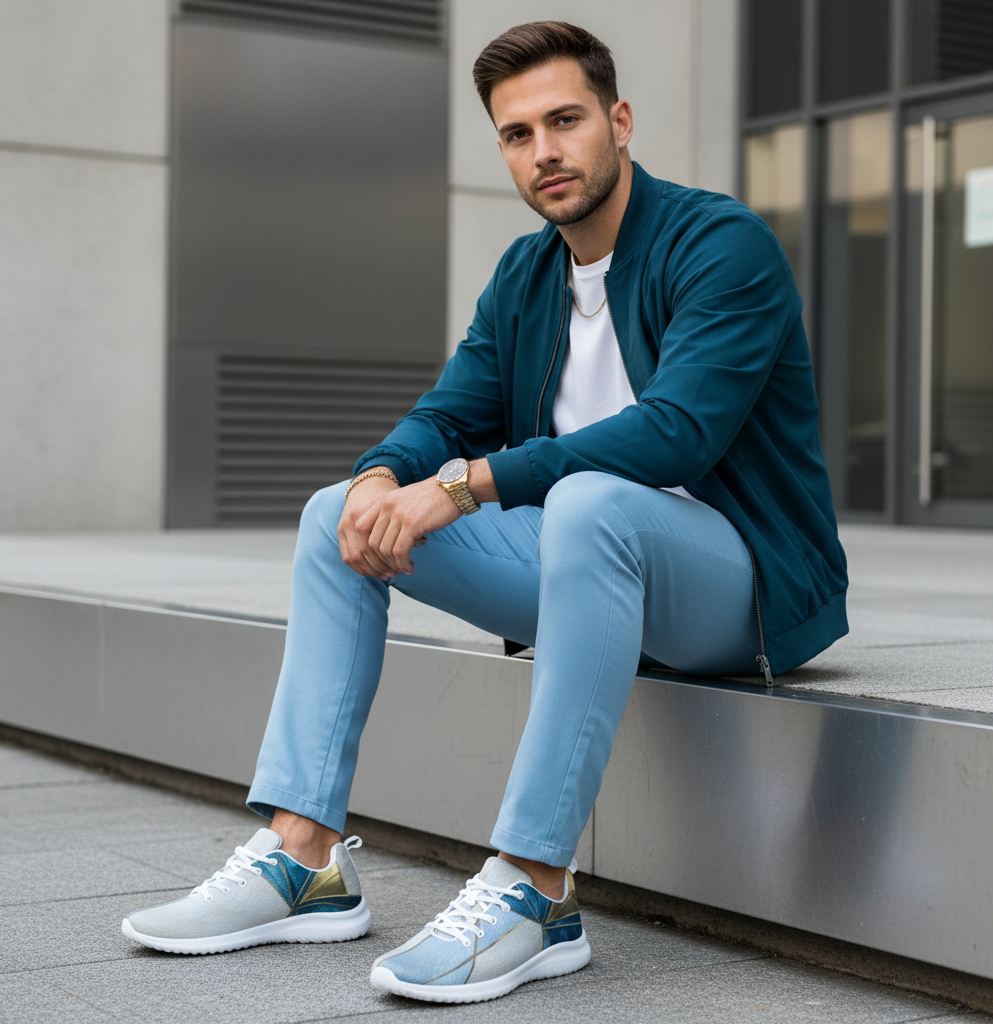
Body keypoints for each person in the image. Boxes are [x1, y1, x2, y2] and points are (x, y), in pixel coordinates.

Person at [121, 21, 847, 1003]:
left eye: (564, 120)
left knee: (593, 500)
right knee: (337, 514)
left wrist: (465, 484)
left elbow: (677, 435)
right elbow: (448, 410)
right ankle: (305, 863)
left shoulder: (720, 245)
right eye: (516, 134)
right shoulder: (525, 275)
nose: (544, 151)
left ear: (618, 121)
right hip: (587, 566)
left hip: (739, 586)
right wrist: (385, 476)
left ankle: (536, 886)